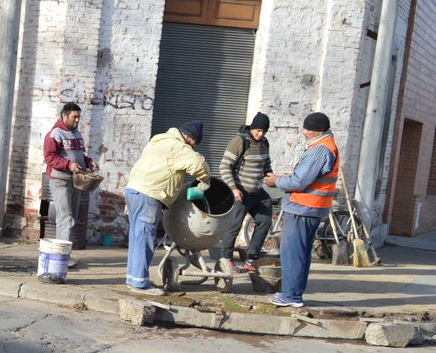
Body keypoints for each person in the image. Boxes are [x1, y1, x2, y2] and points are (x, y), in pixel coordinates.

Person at [123, 120, 211, 296]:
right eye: (195, 143)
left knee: (136, 237)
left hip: (133, 190)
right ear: (189, 137)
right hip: (150, 194)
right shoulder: (179, 147)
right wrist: (205, 180)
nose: (194, 147)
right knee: (145, 238)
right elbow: (198, 164)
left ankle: (133, 279)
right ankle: (140, 283)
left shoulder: (158, 141)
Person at [263, 112, 338, 308]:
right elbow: (306, 177)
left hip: (303, 208)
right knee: (301, 253)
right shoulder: (325, 146)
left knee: (292, 253)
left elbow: (299, 181)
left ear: (319, 131)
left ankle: (291, 296)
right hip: (312, 208)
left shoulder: (319, 149)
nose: (304, 132)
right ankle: (294, 293)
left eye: (308, 129)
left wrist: (277, 180)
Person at [217, 112, 273, 272]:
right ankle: (226, 258)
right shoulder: (239, 141)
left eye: (264, 131)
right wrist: (234, 189)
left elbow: (266, 165)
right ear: (252, 127)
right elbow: (224, 166)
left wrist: (273, 179)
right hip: (241, 192)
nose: (260, 134)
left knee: (265, 221)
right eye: (258, 130)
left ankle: (252, 258)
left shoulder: (264, 143)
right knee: (234, 226)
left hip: (258, 192)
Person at [43, 102, 97, 267]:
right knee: (64, 218)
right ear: (64, 116)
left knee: (69, 218)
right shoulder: (55, 134)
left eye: (79, 117)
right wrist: (69, 165)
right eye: (74, 117)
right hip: (60, 181)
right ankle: (61, 257)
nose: (77, 120)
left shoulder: (77, 134)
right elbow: (49, 157)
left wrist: (89, 162)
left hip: (76, 181)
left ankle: (62, 254)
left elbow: (79, 155)